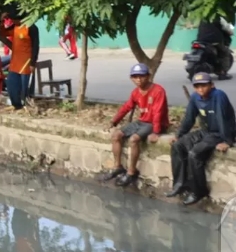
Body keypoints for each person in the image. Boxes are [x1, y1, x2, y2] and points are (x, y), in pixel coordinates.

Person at [166, 72, 236, 206]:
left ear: (211, 85)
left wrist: (227, 141)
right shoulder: (195, 97)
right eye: (197, 86)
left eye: (203, 85)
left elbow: (223, 120)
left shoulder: (218, 96)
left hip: (220, 133)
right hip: (206, 131)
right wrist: (178, 135)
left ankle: (199, 191)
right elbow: (189, 118)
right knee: (178, 146)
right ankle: (180, 184)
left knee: (194, 153)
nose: (200, 89)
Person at [100, 63, 169, 187]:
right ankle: (118, 167)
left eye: (141, 76)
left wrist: (156, 132)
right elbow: (127, 106)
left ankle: (131, 172)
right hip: (141, 121)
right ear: (131, 78)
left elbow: (159, 111)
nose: (138, 79)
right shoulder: (136, 92)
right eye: (135, 77)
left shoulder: (158, 91)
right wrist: (114, 121)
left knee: (133, 139)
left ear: (148, 76)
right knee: (116, 135)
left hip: (153, 123)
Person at [0, 11, 35, 110]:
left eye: (15, 20)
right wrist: (1, 21)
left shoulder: (31, 28)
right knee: (11, 83)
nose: (13, 21)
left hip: (26, 61)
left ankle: (26, 104)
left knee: (24, 86)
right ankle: (16, 105)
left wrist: (33, 62)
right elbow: (3, 33)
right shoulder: (14, 27)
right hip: (15, 61)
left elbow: (36, 46)